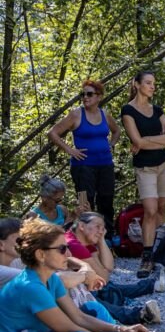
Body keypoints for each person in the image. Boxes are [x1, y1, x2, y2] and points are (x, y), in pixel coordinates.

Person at [0, 218, 165, 332]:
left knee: (93, 308)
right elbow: (68, 328)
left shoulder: (50, 279)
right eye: (62, 249)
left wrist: (121, 329)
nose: (68, 254)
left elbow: (79, 317)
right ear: (41, 254)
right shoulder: (30, 287)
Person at [47, 79, 121, 236]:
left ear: (99, 96)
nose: (85, 97)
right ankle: (86, 238)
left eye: (89, 94)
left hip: (105, 165)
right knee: (85, 203)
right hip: (83, 167)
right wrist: (70, 150)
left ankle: (107, 236)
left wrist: (111, 144)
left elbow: (117, 131)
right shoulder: (76, 114)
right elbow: (52, 133)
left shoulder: (105, 114)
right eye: (83, 94)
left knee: (106, 200)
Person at [121, 70, 165, 278]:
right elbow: (137, 141)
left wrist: (146, 141)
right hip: (145, 167)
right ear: (137, 84)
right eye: (148, 83)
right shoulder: (128, 110)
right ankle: (146, 255)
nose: (152, 86)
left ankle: (159, 250)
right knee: (150, 210)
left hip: (164, 163)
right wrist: (152, 141)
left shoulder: (157, 110)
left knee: (161, 207)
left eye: (154, 83)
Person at [65, 212, 162, 325]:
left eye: (103, 229)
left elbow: (109, 267)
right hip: (76, 294)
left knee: (111, 288)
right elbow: (104, 277)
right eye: (97, 227)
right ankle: (141, 314)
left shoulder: (82, 241)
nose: (101, 231)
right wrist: (101, 272)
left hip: (86, 286)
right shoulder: (74, 245)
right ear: (81, 226)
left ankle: (151, 285)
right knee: (104, 295)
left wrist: (101, 240)